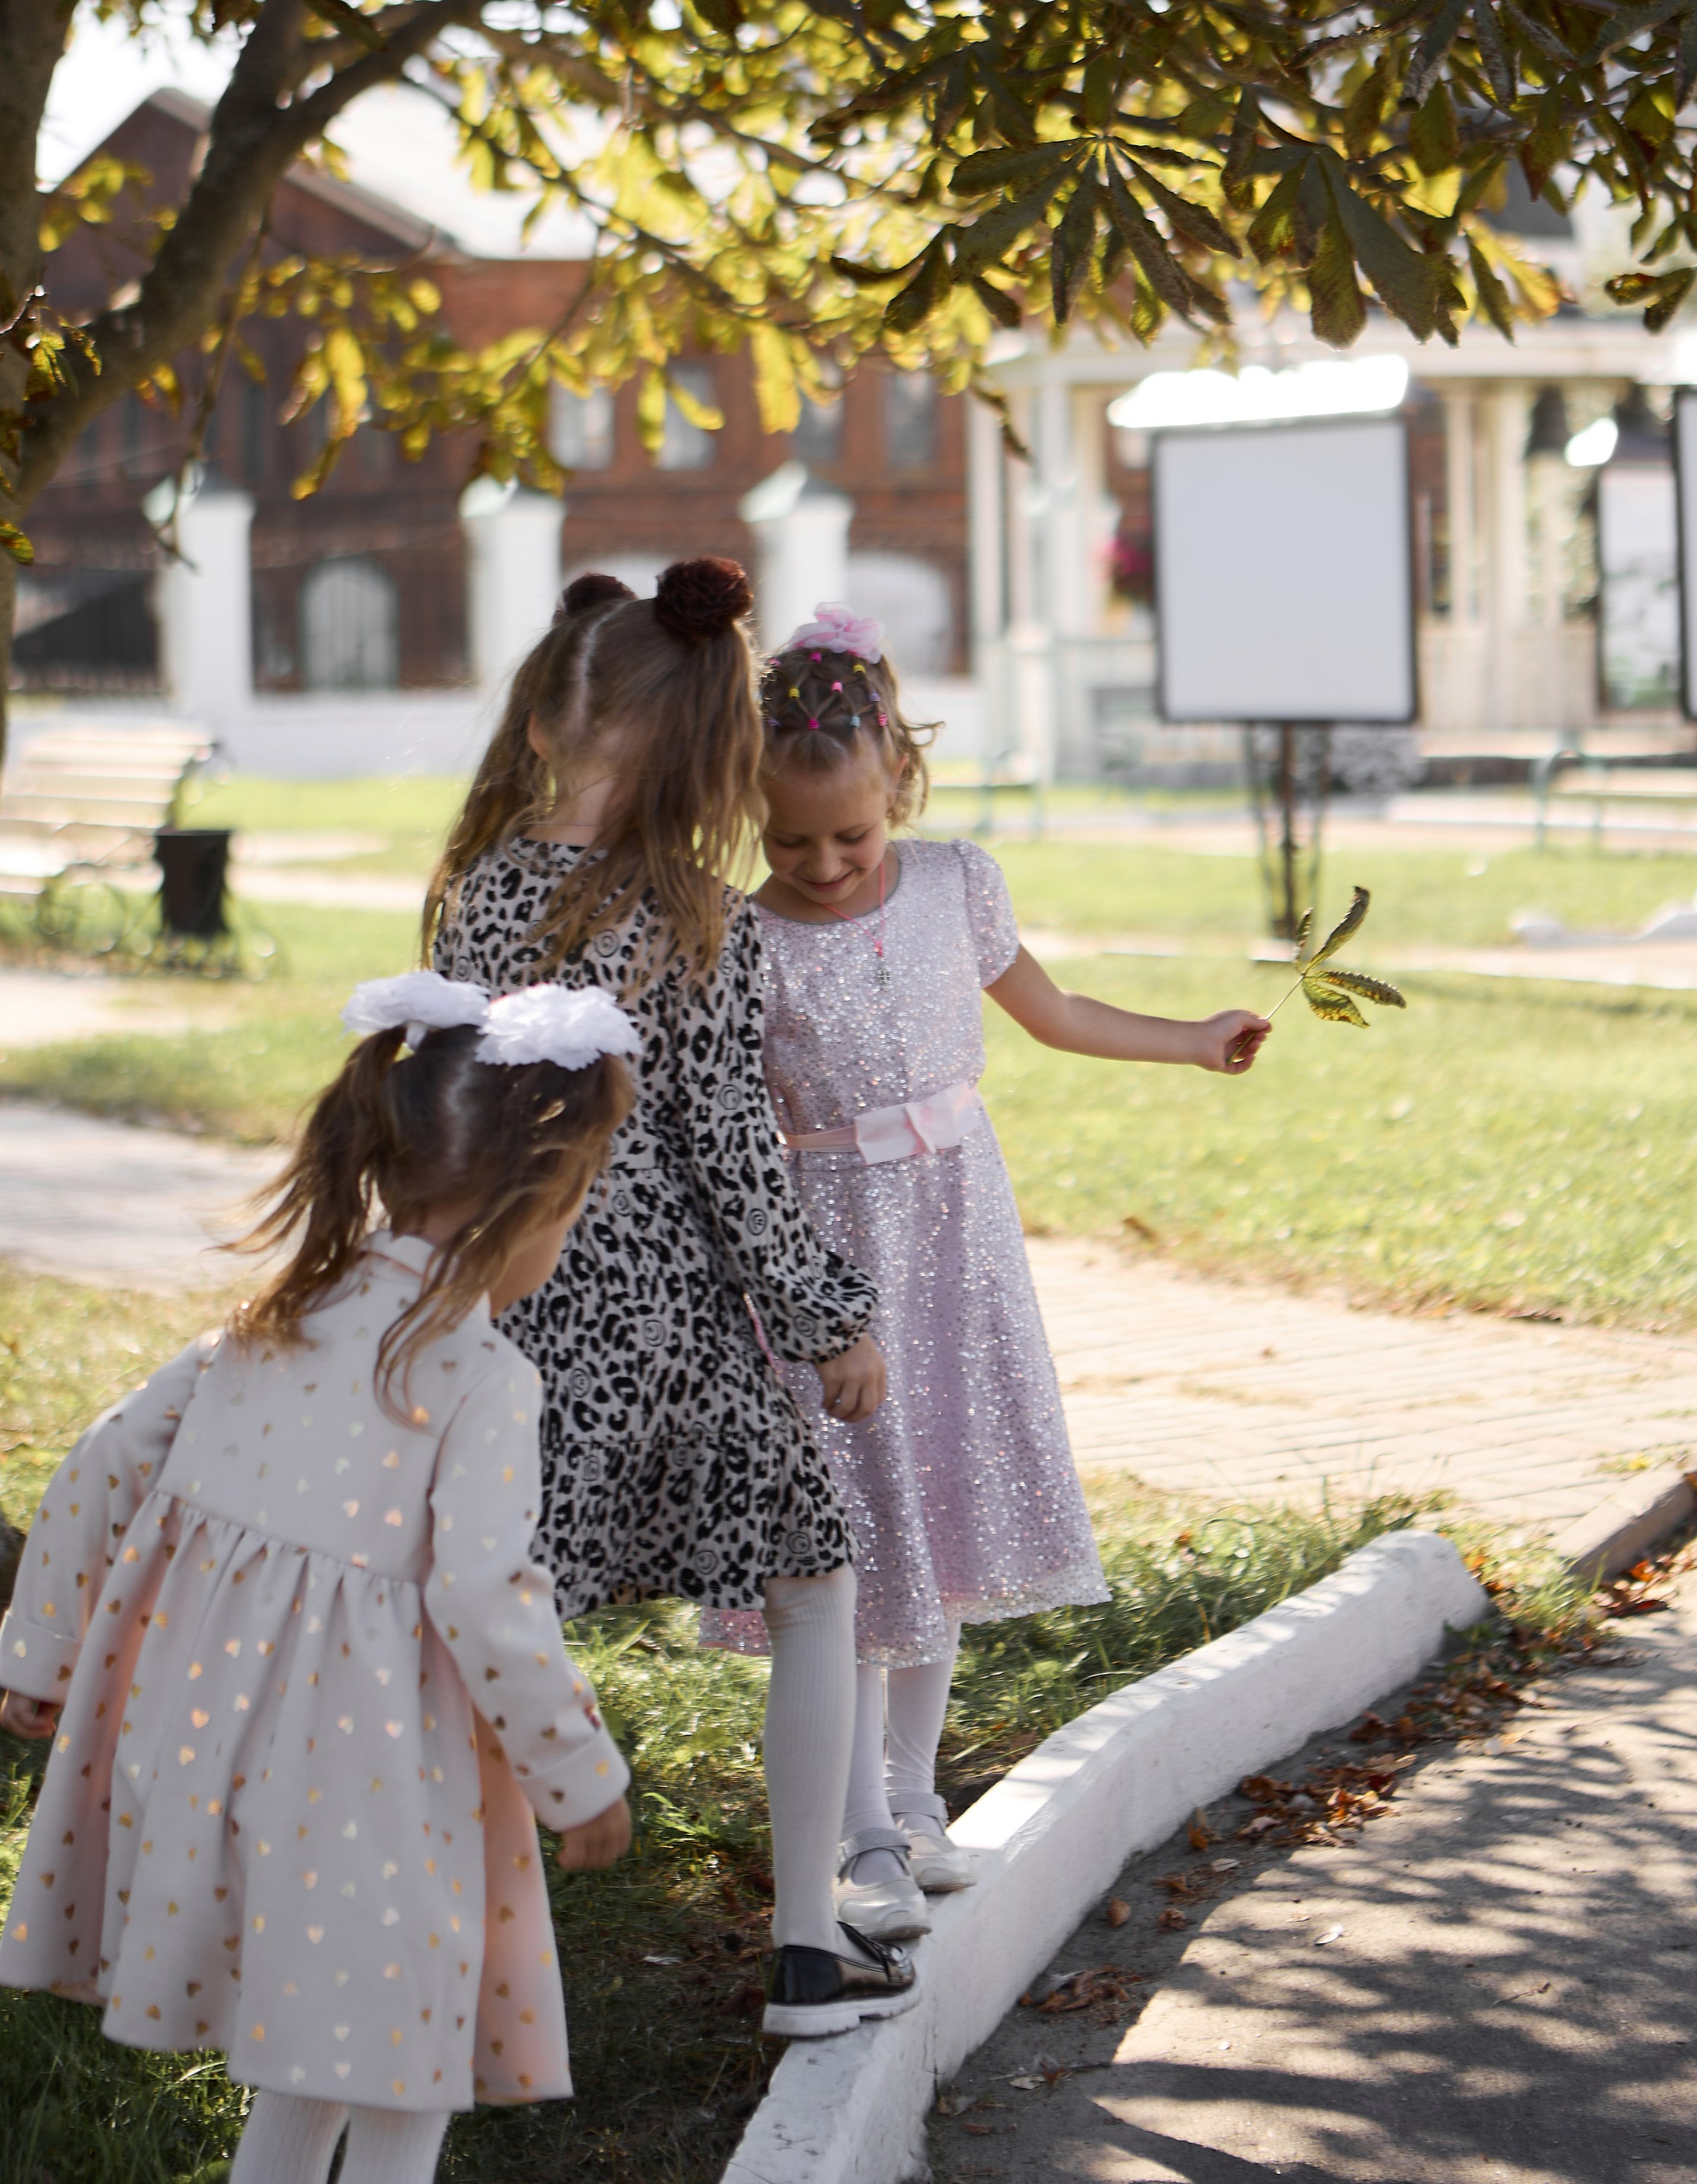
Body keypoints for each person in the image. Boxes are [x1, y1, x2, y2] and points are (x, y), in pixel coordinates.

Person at [0, 968, 643, 2184]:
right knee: (402, 2072)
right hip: (375, 1788)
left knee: (325, 2056)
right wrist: (577, 1776)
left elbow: (95, 1472)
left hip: (203, 1762)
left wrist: (37, 1655)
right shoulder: (481, 1382)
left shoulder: (261, 1325)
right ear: (532, 1205)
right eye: (578, 1204)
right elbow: (482, 1596)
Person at [705, 602, 1272, 1941]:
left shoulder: (961, 883)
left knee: (939, 1521)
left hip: (956, 1244)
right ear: (746, 814)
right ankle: (854, 1840)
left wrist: (1193, 1039)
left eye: (851, 833)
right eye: (791, 841)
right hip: (829, 1261)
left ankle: (913, 1803)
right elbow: (720, 1119)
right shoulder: (741, 937)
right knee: (844, 1534)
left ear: (899, 779)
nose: (826, 862)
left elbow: (1057, 1014)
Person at [425, 555, 916, 2039]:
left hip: (498, 1318)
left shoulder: (468, 899)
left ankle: (446, 1959)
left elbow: (437, 1113)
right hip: (673, 1330)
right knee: (813, 1573)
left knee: (497, 1613)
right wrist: (834, 1318)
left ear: (545, 721)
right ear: (707, 748)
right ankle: (808, 1950)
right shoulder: (700, 916)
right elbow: (734, 1160)